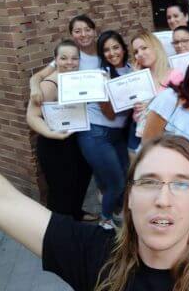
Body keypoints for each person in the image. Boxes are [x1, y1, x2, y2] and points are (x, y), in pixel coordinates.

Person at [0, 135, 189, 291]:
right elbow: (7, 202)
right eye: (149, 182)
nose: (163, 199)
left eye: (181, 184)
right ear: (130, 196)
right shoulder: (94, 254)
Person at [26, 40, 93, 221]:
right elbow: (31, 116)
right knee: (61, 191)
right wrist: (50, 133)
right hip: (54, 144)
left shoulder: (78, 79)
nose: (69, 62)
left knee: (80, 180)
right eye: (63, 58)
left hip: (75, 139)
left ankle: (76, 214)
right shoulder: (49, 85)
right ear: (56, 60)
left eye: (74, 58)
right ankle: (60, 231)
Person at [76, 31, 132, 230]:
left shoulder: (133, 71)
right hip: (96, 133)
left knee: (124, 177)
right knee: (117, 182)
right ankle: (105, 220)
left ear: (124, 48)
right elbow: (109, 115)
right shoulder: (101, 75)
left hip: (117, 135)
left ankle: (116, 210)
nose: (112, 53)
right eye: (106, 50)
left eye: (115, 47)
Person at [29, 14, 101, 105]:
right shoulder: (69, 57)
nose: (83, 34)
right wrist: (35, 89)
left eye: (88, 30)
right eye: (77, 31)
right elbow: (38, 76)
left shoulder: (105, 52)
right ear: (72, 35)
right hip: (78, 108)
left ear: (94, 32)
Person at [130, 32, 182, 143]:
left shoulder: (175, 75)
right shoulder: (139, 79)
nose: (139, 54)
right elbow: (137, 118)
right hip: (145, 140)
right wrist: (138, 78)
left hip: (171, 140)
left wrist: (151, 106)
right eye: (136, 52)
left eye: (144, 48)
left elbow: (183, 110)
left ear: (156, 47)